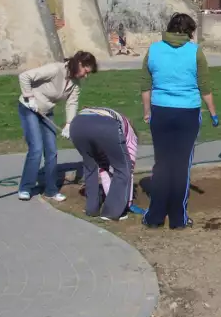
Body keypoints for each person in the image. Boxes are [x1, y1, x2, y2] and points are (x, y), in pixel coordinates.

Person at [140, 13, 219, 230]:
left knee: (162, 164)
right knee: (181, 166)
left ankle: (154, 216)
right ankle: (178, 218)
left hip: (161, 111)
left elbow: (145, 85)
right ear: (190, 31)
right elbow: (205, 86)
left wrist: (147, 111)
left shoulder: (153, 50)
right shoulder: (195, 52)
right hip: (187, 113)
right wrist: (212, 112)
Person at [17, 51, 98, 202]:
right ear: (79, 64)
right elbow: (24, 76)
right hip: (29, 108)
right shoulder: (55, 69)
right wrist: (29, 97)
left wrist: (69, 124)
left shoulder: (75, 84)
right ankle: (25, 188)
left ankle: (51, 190)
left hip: (46, 112)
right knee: (36, 148)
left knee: (52, 151)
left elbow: (72, 103)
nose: (85, 76)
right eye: (85, 72)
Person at [69, 107, 138, 221]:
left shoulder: (113, 117)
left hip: (77, 124)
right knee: (123, 168)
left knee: (90, 166)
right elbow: (128, 169)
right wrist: (128, 202)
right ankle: (112, 212)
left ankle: (92, 209)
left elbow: (103, 169)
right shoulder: (131, 135)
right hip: (104, 126)